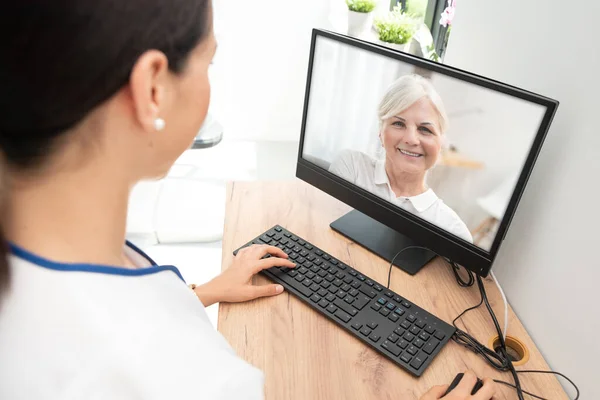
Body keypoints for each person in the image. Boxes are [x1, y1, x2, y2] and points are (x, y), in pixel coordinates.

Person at [0, 1, 494, 399]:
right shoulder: (203, 381)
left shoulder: (49, 261)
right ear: (153, 86)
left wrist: (200, 293)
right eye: (208, 61)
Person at [329, 75, 473, 242]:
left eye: (425, 129)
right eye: (398, 124)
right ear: (381, 131)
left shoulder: (453, 230)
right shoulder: (351, 168)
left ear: (440, 143)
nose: (411, 139)